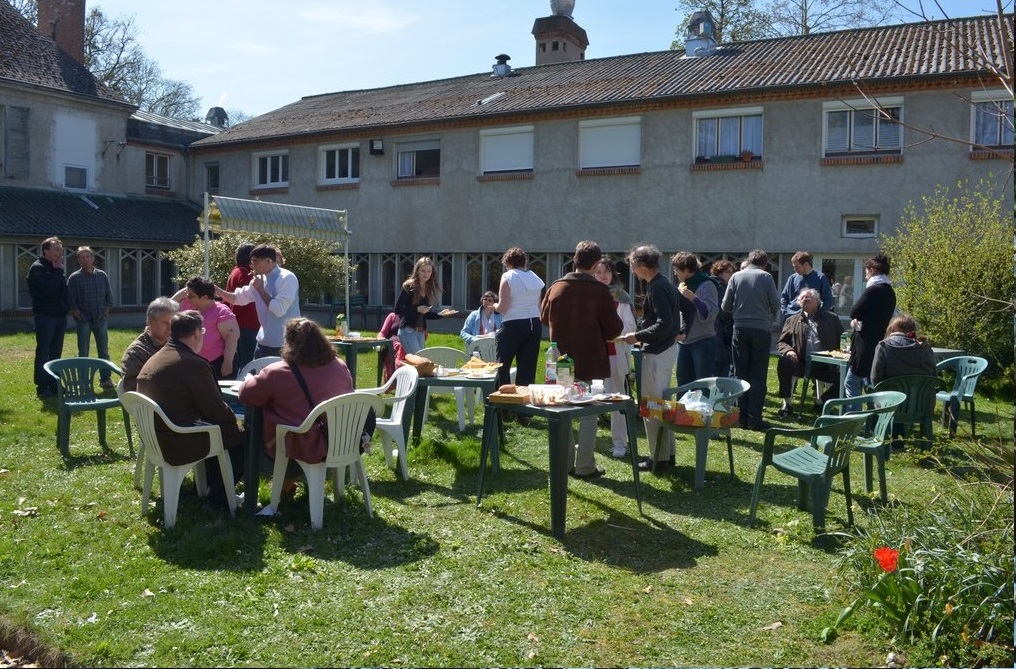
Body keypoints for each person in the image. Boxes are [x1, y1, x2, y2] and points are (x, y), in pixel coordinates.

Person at [136, 310, 244, 510]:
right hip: (178, 440)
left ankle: (209, 487)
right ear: (196, 334)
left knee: (222, 431)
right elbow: (215, 409)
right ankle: (219, 499)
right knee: (242, 438)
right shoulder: (193, 364)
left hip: (156, 437)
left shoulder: (157, 357)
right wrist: (236, 421)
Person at [239, 318, 374, 467]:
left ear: (289, 343)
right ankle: (287, 483)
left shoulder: (278, 372)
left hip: (303, 446)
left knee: (255, 425)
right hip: (345, 439)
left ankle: (278, 479)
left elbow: (245, 395)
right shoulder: (339, 365)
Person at [541, 241, 623, 479]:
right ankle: (585, 465)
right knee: (588, 412)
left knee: (563, 407)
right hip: (589, 360)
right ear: (596, 264)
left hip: (560, 359)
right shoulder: (599, 292)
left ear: (574, 260)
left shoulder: (556, 287)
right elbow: (613, 331)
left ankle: (566, 462)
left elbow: (545, 318)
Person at [621, 245, 681, 472]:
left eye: (633, 266)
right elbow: (684, 312)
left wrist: (636, 335)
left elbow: (664, 323)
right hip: (665, 349)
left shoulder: (657, 287)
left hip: (657, 352)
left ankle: (659, 458)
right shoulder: (665, 283)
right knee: (661, 404)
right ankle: (667, 454)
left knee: (652, 406)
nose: (633, 271)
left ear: (642, 265)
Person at [721, 248, 780, 431]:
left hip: (740, 328)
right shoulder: (766, 277)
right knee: (758, 375)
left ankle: (740, 417)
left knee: (740, 374)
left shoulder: (736, 277)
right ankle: (754, 419)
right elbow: (776, 305)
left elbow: (725, 306)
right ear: (764, 264)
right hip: (761, 330)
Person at [215, 244, 300, 359]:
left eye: (256, 261)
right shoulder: (259, 280)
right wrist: (217, 291)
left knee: (282, 377)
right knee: (256, 375)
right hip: (262, 342)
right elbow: (238, 298)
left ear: (269, 261)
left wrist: (261, 290)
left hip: (285, 344)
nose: (252, 265)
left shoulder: (287, 278)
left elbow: (279, 309)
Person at [775, 288, 844, 418]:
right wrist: (789, 350)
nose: (805, 299)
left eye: (808, 297)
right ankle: (787, 403)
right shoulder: (792, 320)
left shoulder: (831, 318)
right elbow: (781, 342)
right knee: (784, 362)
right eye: (802, 298)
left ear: (817, 302)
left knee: (846, 378)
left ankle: (823, 401)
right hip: (801, 363)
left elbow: (843, 339)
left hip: (825, 365)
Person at [870, 314, 936, 450]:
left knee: (881, 391)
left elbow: (875, 379)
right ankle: (906, 442)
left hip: (891, 405)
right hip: (922, 406)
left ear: (891, 329)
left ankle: (877, 435)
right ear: (912, 330)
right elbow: (933, 377)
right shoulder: (925, 349)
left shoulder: (883, 347)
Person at [593, 258, 636, 458]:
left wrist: (610, 332)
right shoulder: (587, 295)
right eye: (598, 271)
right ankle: (588, 442)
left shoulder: (621, 297)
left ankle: (620, 443)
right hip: (591, 356)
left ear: (613, 274)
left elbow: (630, 327)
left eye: (606, 272)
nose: (602, 276)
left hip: (614, 354)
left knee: (616, 400)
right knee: (588, 399)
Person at [845, 253, 896, 398]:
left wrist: (857, 320)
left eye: (866, 270)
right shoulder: (890, 291)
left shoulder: (874, 289)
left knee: (851, 382)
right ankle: (873, 418)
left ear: (872, 269)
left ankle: (854, 418)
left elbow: (853, 311)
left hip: (865, 343)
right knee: (870, 386)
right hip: (879, 341)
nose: (865, 274)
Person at [494, 247, 545, 388]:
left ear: (507, 263)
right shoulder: (535, 278)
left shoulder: (508, 276)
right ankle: (523, 408)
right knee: (527, 370)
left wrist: (494, 306)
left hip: (513, 324)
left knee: (502, 366)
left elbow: (503, 307)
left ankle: (503, 405)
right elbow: (539, 306)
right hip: (534, 324)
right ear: (524, 262)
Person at [66, 246, 114, 389]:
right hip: (84, 320)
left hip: (100, 319)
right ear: (78, 260)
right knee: (83, 352)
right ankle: (83, 382)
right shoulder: (74, 278)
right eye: (82, 257)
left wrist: (106, 311)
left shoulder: (102, 275)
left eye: (88, 256)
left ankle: (105, 380)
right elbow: (71, 299)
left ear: (93, 258)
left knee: (103, 351)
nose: (85, 259)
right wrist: (76, 313)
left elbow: (108, 296)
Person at [173, 277, 239, 379]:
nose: (187, 297)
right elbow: (169, 304)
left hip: (215, 364)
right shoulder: (188, 304)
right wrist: (190, 288)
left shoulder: (221, 312)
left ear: (204, 297)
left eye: (191, 295)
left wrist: (227, 362)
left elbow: (232, 336)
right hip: (190, 362)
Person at [27, 236, 69, 399]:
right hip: (45, 317)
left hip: (59, 317)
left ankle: (54, 384)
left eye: (61, 249)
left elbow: (62, 291)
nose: (60, 252)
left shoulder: (56, 268)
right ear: (46, 251)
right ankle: (42, 387)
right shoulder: (37, 268)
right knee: (44, 352)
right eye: (57, 249)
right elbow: (49, 291)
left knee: (56, 353)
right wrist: (58, 271)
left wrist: (65, 308)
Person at [672, 252, 719, 387]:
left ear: (686, 269)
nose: (675, 273)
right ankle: (683, 408)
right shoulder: (683, 285)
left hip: (702, 342)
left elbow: (711, 312)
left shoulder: (707, 284)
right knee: (682, 384)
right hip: (684, 342)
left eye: (676, 270)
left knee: (702, 385)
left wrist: (694, 299)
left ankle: (701, 408)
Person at [393, 257, 456, 355]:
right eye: (422, 270)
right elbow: (397, 309)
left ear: (432, 273)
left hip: (420, 332)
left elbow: (425, 314)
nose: (426, 274)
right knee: (419, 361)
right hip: (407, 330)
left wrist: (441, 314)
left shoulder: (428, 288)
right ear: (417, 271)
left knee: (421, 362)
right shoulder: (409, 286)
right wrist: (417, 309)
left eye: (428, 271)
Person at [121, 297, 179, 391]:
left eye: (173, 323)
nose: (170, 328)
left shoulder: (177, 344)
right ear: (150, 321)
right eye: (165, 323)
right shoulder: (136, 353)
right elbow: (132, 391)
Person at [226, 242, 260, 374]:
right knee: (248, 362)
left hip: (242, 324)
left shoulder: (236, 271)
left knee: (243, 358)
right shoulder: (245, 275)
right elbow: (240, 303)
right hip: (247, 325)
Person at [780, 251, 835, 318]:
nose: (794, 269)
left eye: (797, 267)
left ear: (806, 264)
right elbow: (784, 298)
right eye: (793, 267)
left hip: (813, 319)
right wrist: (785, 312)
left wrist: (819, 314)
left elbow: (828, 300)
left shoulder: (820, 278)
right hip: (792, 317)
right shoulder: (792, 278)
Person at [709, 260, 737, 377]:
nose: (731, 275)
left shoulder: (725, 286)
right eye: (727, 272)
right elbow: (723, 310)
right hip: (719, 328)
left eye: (732, 272)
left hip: (721, 328)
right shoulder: (718, 286)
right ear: (719, 272)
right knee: (720, 363)